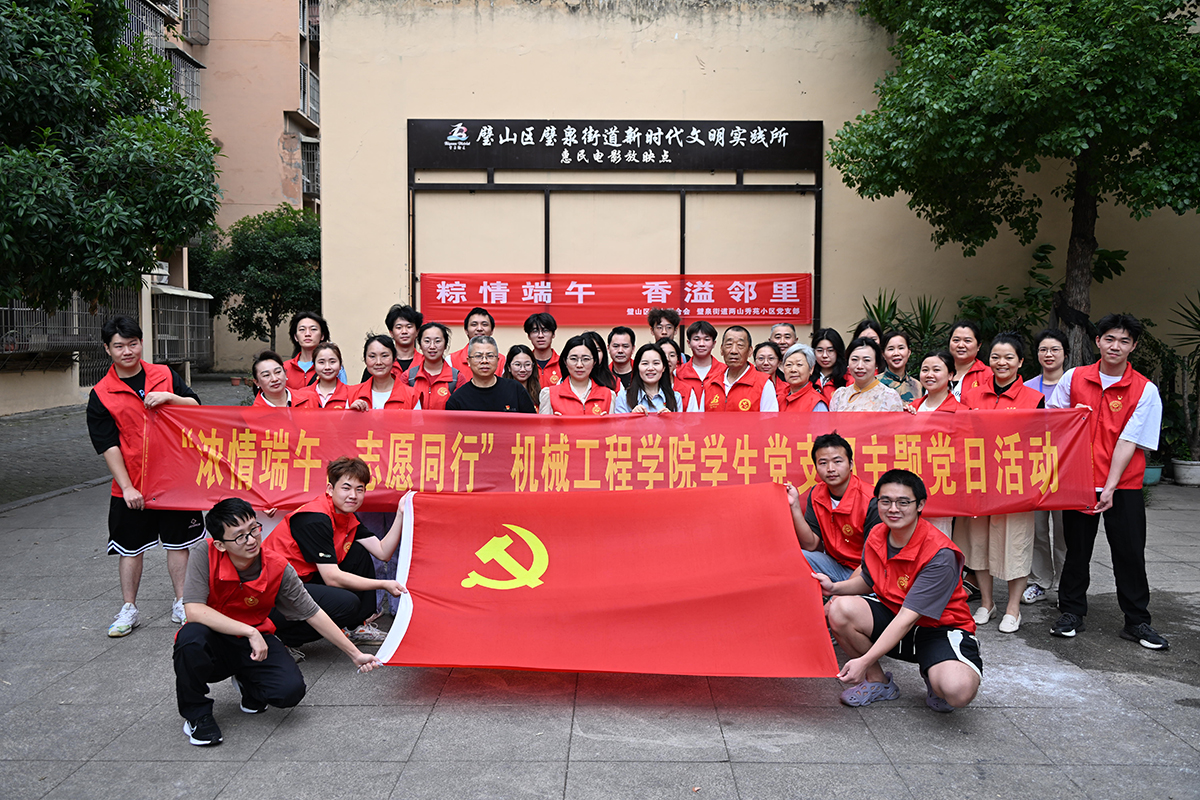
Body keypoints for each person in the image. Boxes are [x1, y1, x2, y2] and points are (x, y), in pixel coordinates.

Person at [174, 498, 382, 746]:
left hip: (256, 642)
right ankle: (197, 715)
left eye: (253, 529)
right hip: (214, 638)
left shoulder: (277, 565)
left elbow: (312, 612)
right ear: (220, 544)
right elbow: (194, 610)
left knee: (289, 692)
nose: (251, 540)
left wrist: (355, 654)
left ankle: (247, 681)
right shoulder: (204, 554)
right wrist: (249, 632)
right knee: (190, 639)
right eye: (239, 536)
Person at [1047, 314, 1167, 650]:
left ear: (1134, 346)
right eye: (1110, 339)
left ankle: (1137, 620)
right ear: (1097, 341)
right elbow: (1054, 422)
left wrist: (1110, 486)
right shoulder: (1074, 378)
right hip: (1079, 481)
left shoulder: (1145, 389)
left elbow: (1129, 440)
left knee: (1129, 553)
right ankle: (1071, 612)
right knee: (1076, 551)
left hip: (1124, 484)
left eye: (1124, 341)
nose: (1116, 346)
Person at [816, 470, 982, 713]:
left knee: (956, 690)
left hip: (938, 628)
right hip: (894, 615)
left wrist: (863, 661)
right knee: (840, 608)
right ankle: (878, 681)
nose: (893, 509)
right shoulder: (877, 533)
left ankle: (937, 668)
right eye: (886, 501)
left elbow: (907, 618)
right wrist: (834, 588)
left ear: (920, 505)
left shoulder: (940, 554)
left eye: (903, 502)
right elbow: (869, 579)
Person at [87, 315, 204, 637]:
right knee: (129, 548)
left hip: (175, 479)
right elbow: (108, 445)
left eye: (133, 343)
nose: (127, 351)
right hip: (133, 484)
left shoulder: (164, 375)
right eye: (119, 346)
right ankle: (129, 607)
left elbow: (196, 408)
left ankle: (182, 602)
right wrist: (127, 486)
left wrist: (171, 398)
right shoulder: (102, 393)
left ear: (141, 343)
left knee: (178, 544)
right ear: (107, 349)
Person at [262, 457, 407, 656]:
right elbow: (331, 577)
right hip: (270, 594)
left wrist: (400, 513)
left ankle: (356, 627)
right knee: (346, 605)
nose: (353, 495)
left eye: (359, 489)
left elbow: (382, 552)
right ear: (330, 489)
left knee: (357, 552)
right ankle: (279, 639)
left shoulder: (346, 515)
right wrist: (384, 584)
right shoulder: (315, 518)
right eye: (346, 488)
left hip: (301, 580)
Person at [960, 333, 1046, 633]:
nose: (1001, 363)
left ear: (1020, 362)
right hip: (978, 483)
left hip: (1015, 485)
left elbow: (1041, 442)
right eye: (995, 357)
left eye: (1009, 357)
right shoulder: (971, 397)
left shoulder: (1034, 399)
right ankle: (987, 602)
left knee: (1015, 545)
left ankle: (1012, 608)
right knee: (978, 544)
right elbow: (956, 433)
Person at [787, 432, 880, 582]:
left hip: (867, 571)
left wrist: (842, 590)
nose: (830, 468)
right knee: (794, 556)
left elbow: (875, 558)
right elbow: (810, 545)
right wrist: (795, 506)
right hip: (835, 565)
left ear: (851, 464)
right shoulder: (816, 494)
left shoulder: (871, 501)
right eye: (823, 463)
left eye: (837, 461)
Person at [1023, 329, 1070, 605]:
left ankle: (1066, 585)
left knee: (1065, 531)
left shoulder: (1075, 385)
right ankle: (1039, 581)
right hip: (1034, 468)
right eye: (1043, 349)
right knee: (1037, 529)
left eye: (1054, 349)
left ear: (1065, 353)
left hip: (1065, 468)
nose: (1048, 355)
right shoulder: (1027, 387)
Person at [908, 351, 959, 537]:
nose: (929, 375)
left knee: (937, 542)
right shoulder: (911, 408)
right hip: (911, 489)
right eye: (925, 370)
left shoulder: (961, 412)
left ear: (951, 375)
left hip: (942, 490)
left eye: (936, 370)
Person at [445, 336, 537, 413]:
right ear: (468, 361)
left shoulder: (515, 390)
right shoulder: (457, 399)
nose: (484, 361)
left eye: (490, 356)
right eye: (478, 356)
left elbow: (532, 424)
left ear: (497, 360)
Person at [540, 335, 616, 415]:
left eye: (586, 359)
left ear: (594, 362)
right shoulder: (550, 394)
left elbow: (612, 423)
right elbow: (543, 423)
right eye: (573, 359)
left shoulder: (608, 395)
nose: (579, 365)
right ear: (565, 361)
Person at [708, 326, 779, 411]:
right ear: (721, 350)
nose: (734, 351)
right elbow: (701, 417)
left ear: (750, 351)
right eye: (729, 344)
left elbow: (770, 418)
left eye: (740, 345)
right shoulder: (710, 382)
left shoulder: (764, 384)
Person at [349, 335, 421, 411]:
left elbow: (418, 419)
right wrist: (351, 413)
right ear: (365, 359)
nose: (378, 362)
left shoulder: (412, 395)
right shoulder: (352, 394)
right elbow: (344, 418)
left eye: (384, 356)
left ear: (394, 358)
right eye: (372, 356)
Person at [830, 337, 903, 412]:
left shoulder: (889, 396)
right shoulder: (839, 395)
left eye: (867, 360)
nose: (860, 366)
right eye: (854, 359)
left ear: (876, 363)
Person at [615, 343, 687, 414]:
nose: (650, 368)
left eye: (656, 363)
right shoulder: (624, 397)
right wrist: (632, 417)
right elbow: (619, 421)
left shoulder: (675, 397)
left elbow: (679, 422)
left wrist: (671, 418)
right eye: (645, 363)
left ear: (664, 367)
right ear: (637, 367)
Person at [283, 312, 347, 389]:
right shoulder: (284, 368)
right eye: (302, 329)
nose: (307, 334)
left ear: (322, 335)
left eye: (313, 329)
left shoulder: (332, 366)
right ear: (296, 337)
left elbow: (343, 392)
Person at [407, 322, 462, 409]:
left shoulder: (457, 378)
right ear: (420, 345)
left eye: (437, 341)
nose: (432, 346)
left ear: (445, 345)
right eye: (427, 341)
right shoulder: (409, 377)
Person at [675, 320, 725, 410]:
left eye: (706, 339)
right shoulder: (678, 373)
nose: (701, 344)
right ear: (689, 343)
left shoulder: (725, 372)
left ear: (714, 343)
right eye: (696, 339)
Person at [293, 342, 353, 409]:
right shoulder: (301, 394)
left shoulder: (351, 394)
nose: (327, 367)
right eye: (321, 362)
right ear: (314, 366)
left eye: (332, 362)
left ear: (340, 365)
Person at [448, 307, 505, 375]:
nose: (479, 329)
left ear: (492, 330)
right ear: (466, 330)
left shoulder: (502, 361)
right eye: (474, 324)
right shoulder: (451, 360)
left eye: (484, 324)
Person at [777, 343, 829, 412]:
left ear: (811, 369)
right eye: (789, 365)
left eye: (799, 364)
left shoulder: (816, 402)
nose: (793, 370)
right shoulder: (779, 397)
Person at [948, 320, 989, 400]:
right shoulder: (937, 372)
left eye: (967, 341)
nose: (961, 345)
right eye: (956, 340)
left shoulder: (989, 375)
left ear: (978, 346)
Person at [880, 330, 922, 404]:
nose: (896, 353)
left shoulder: (917, 385)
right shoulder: (875, 383)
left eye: (901, 348)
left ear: (909, 352)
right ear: (883, 354)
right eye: (891, 349)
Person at [811, 328, 848, 405]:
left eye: (830, 350)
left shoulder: (848, 377)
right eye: (820, 350)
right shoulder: (807, 376)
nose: (825, 355)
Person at [385, 304, 423, 375]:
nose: (404, 331)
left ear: (417, 332)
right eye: (399, 327)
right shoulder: (383, 364)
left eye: (409, 327)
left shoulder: (426, 363)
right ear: (391, 333)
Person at [525, 312, 561, 387]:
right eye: (535, 331)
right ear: (529, 336)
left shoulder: (563, 364)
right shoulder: (524, 365)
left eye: (545, 330)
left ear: (553, 334)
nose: (540, 335)